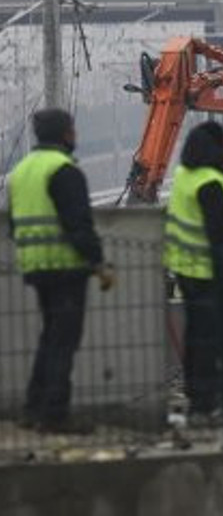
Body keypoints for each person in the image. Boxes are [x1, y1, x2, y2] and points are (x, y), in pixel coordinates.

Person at [7, 108, 113, 433]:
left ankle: (33, 408)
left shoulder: (21, 171)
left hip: (35, 266)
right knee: (63, 342)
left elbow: (14, 224)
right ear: (66, 133)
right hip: (66, 267)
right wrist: (98, 263)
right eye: (73, 129)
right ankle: (54, 416)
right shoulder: (64, 170)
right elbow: (78, 224)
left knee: (49, 337)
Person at [163, 121, 223, 426]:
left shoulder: (184, 177)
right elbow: (221, 236)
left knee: (196, 337)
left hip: (186, 271)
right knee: (211, 341)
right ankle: (208, 403)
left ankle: (199, 398)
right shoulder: (211, 183)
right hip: (208, 273)